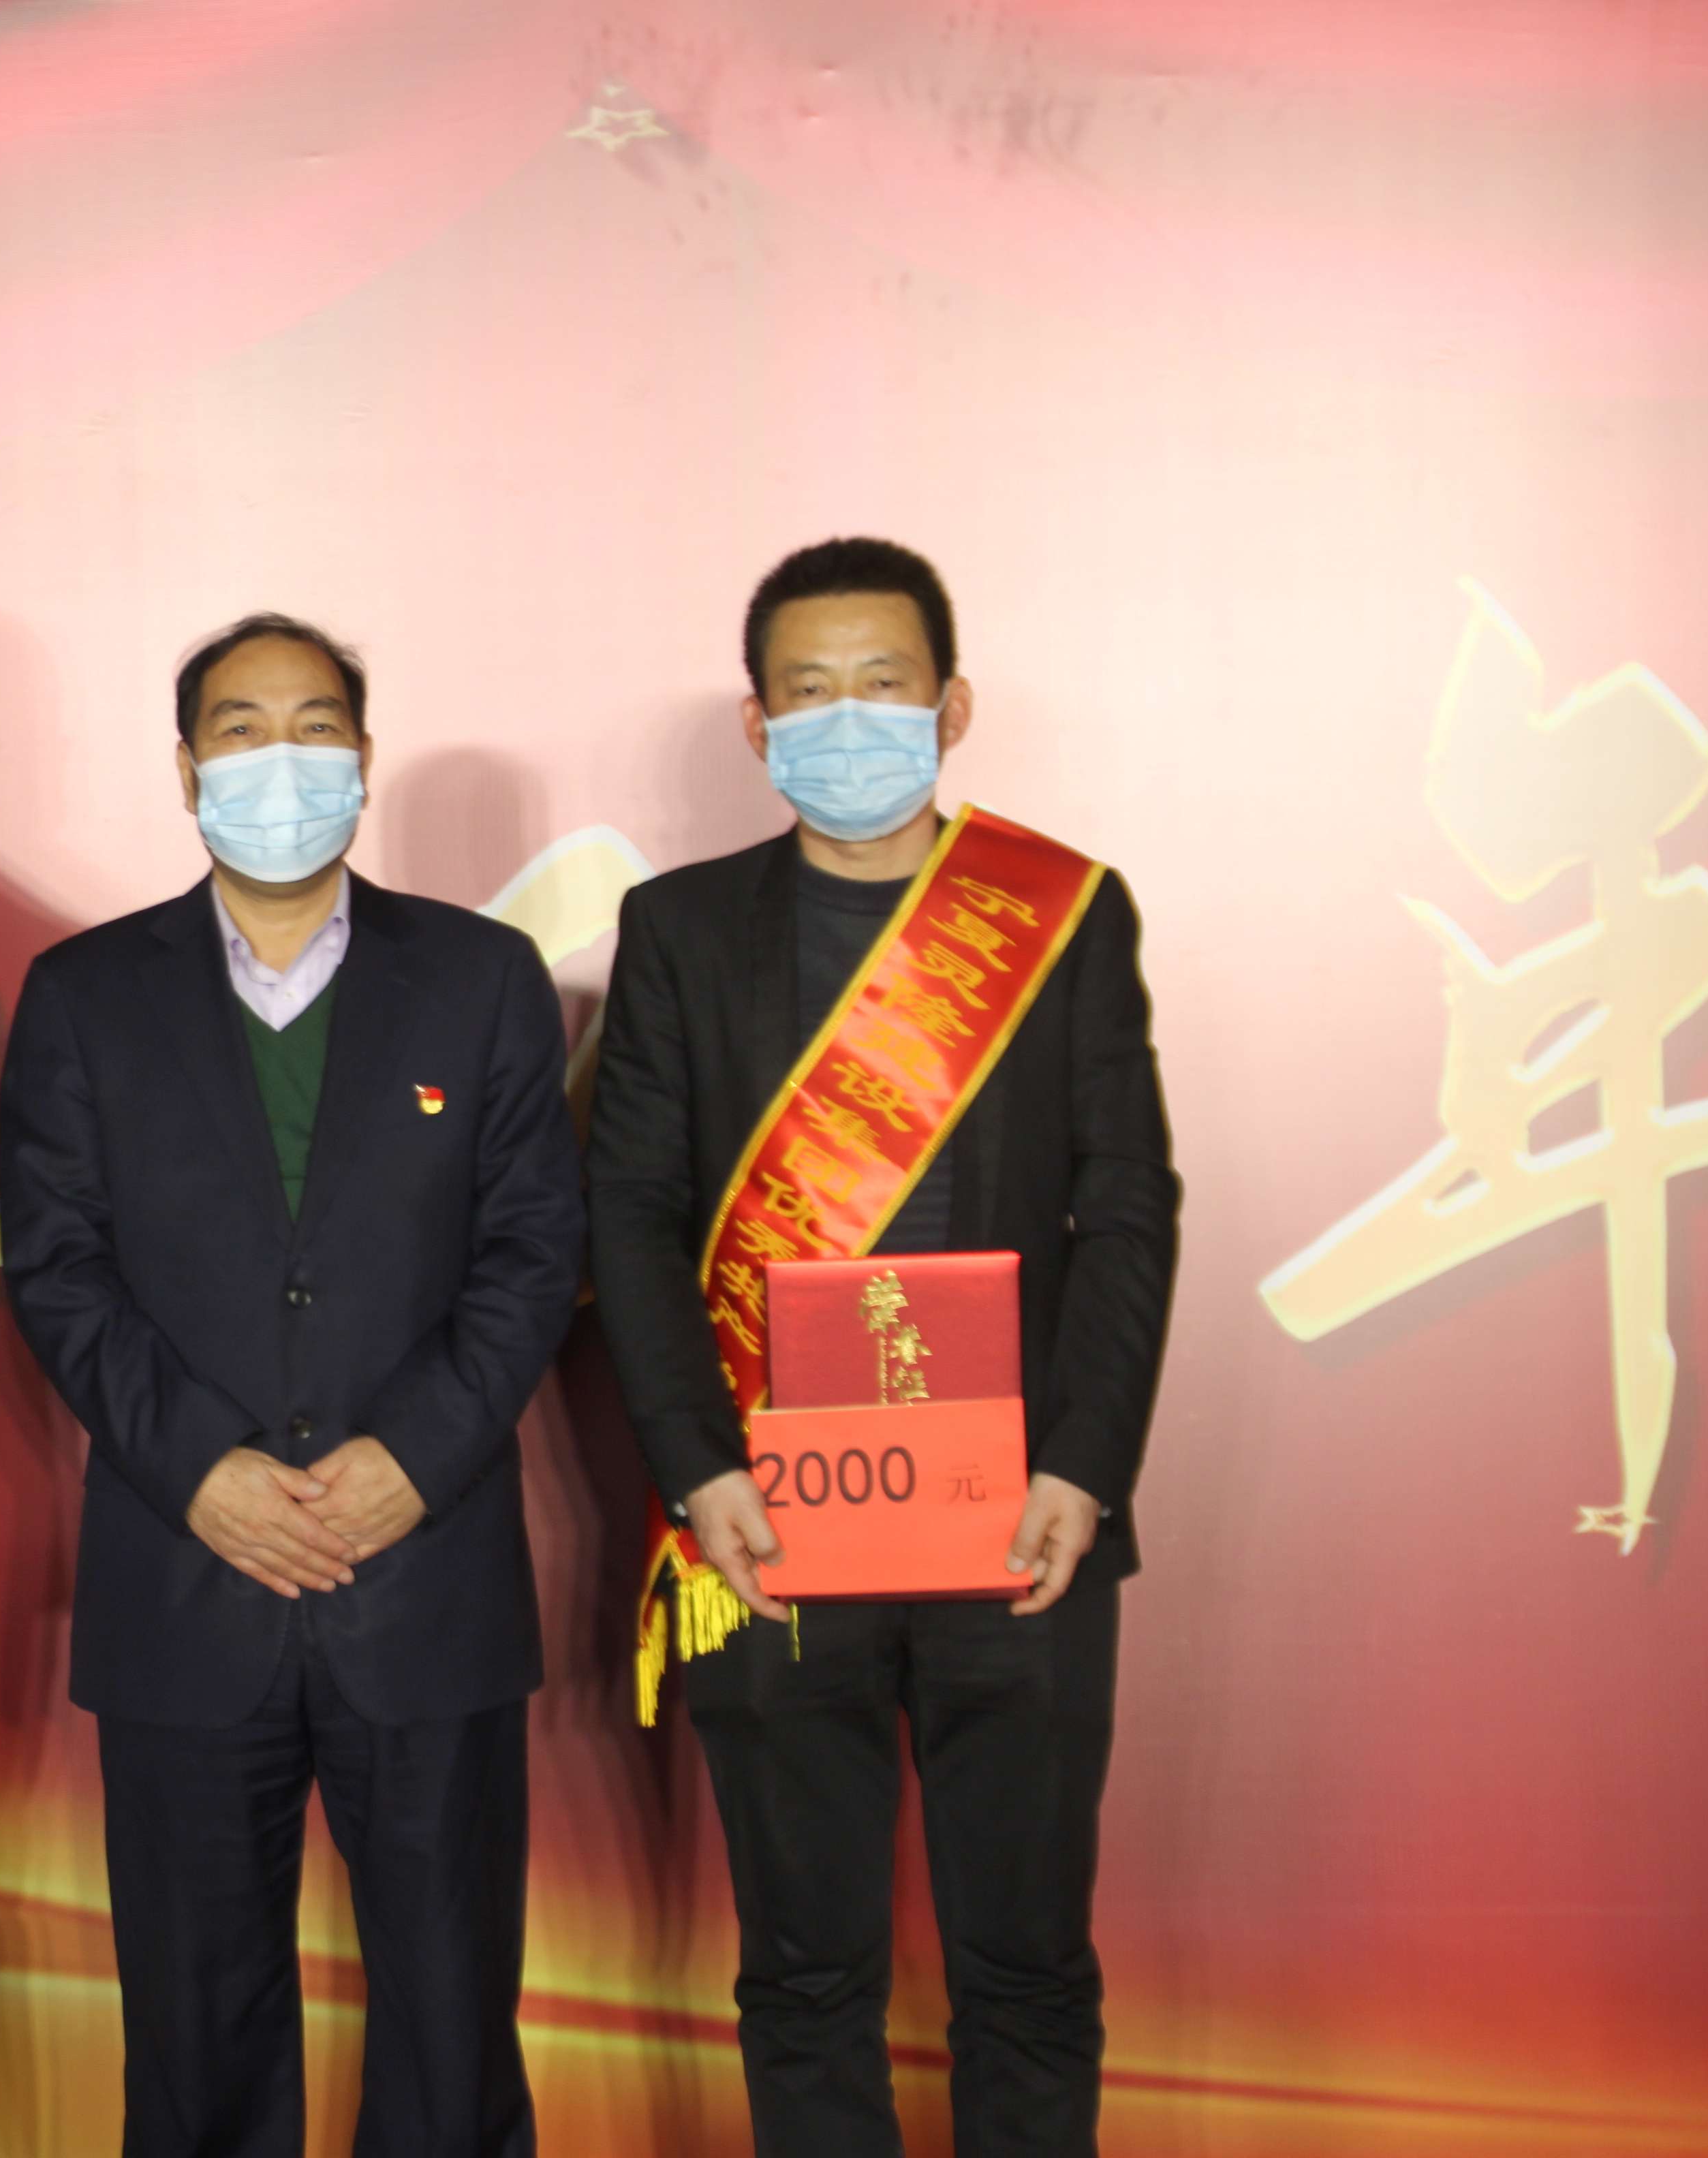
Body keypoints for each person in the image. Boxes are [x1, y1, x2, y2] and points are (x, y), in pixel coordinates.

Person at [586, 538, 1178, 2155]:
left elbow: (1128, 1209)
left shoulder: (1060, 916)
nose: (848, 721)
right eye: (810, 692)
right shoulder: (680, 930)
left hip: (1021, 1527)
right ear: (758, 725)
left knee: (1028, 1970)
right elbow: (629, 1219)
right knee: (804, 1975)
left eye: (883, 686)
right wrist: (699, 1471)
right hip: (769, 1523)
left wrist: (1083, 1467)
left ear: (951, 705)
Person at [0, 614, 586, 2158]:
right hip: (187, 1584)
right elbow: (58, 1271)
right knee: (197, 2045)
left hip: (426, 1581)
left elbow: (534, 1255)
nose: (282, 760)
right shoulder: (85, 993)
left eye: (315, 727)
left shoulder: (482, 979)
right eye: (241, 729)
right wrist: (202, 1472)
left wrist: (416, 1458)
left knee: (452, 2038)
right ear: (186, 767)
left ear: (365, 760)